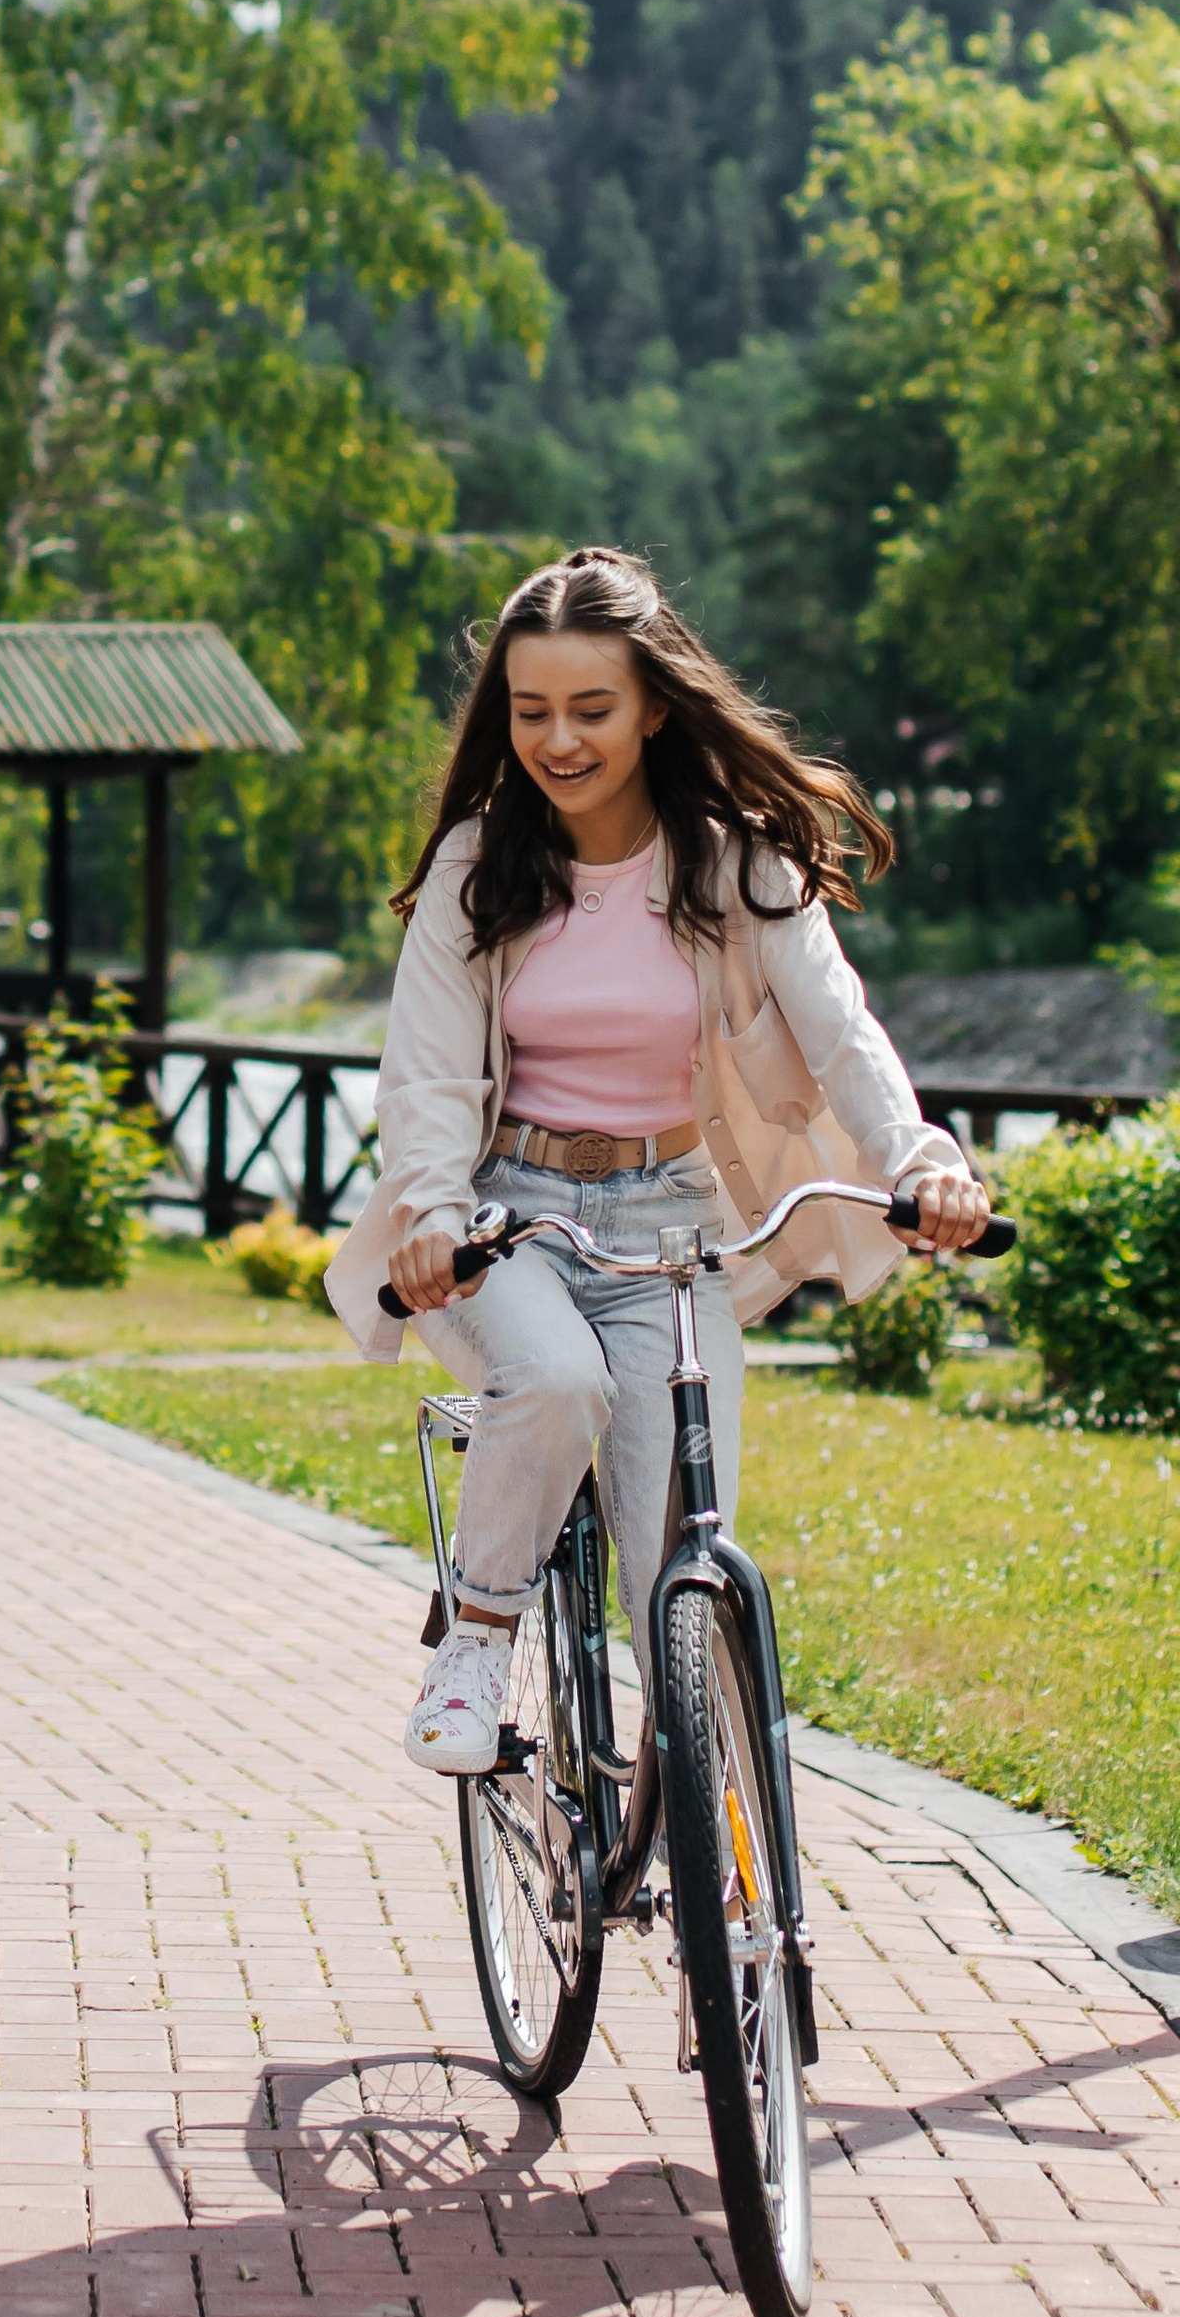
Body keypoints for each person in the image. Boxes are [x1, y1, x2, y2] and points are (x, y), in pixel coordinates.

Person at [324, 546, 988, 1775]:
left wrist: (919, 1161)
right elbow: (424, 1075)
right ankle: (476, 1639)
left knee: (677, 1554)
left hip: (673, 1225)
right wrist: (427, 1214)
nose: (557, 740)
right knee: (553, 1380)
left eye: (591, 709)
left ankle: (714, 1845)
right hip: (501, 1223)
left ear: (654, 709)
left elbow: (840, 1031)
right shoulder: (478, 863)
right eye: (530, 711)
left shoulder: (738, 862)